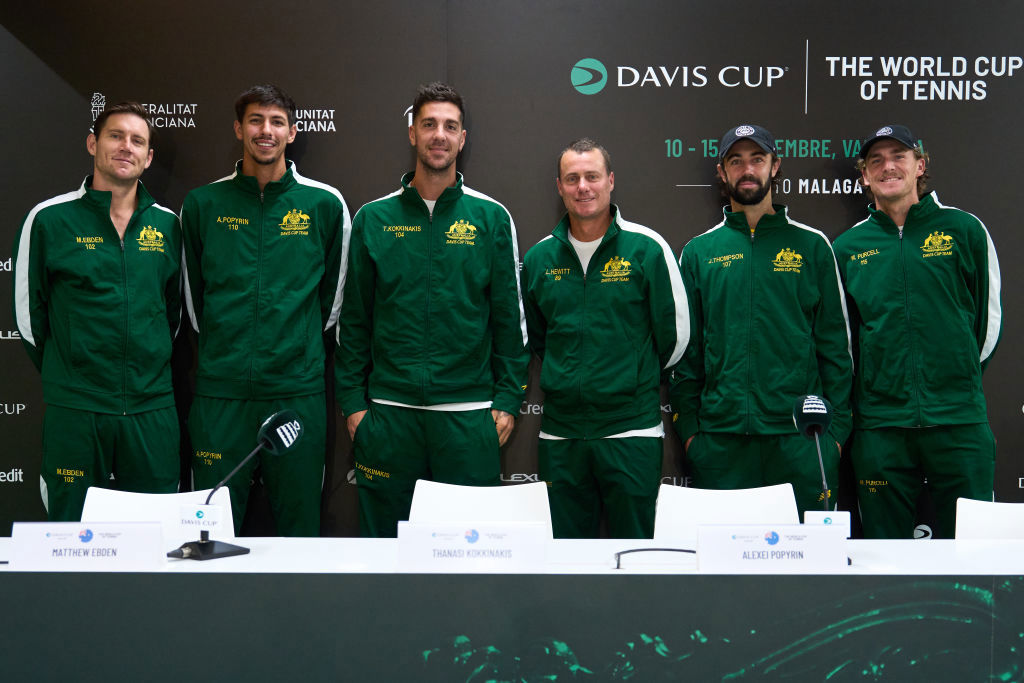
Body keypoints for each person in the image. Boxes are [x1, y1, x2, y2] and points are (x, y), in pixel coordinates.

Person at [335, 82, 528, 537]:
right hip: (388, 419)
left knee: (471, 562)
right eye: (429, 125)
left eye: (450, 126)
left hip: (467, 420)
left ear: (463, 138)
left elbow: (508, 319)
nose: (439, 135)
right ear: (412, 134)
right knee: (384, 553)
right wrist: (353, 407)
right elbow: (354, 322)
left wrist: (506, 400)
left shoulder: (491, 218)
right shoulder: (373, 219)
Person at [181, 84, 350, 536]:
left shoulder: (324, 204)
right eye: (256, 120)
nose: (266, 131)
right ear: (239, 128)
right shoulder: (202, 205)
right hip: (221, 394)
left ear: (293, 132)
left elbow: (333, 302)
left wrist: (293, 352)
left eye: (277, 122)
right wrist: (226, 354)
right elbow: (195, 303)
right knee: (208, 533)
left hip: (295, 392)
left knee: (300, 527)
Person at [671, 124, 853, 515]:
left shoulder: (812, 245)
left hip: (799, 442)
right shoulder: (700, 251)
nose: (747, 169)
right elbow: (687, 354)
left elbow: (836, 349)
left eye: (757, 159)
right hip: (720, 445)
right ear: (722, 172)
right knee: (720, 573)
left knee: (806, 571)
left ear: (775, 166)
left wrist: (833, 436)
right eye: (735, 161)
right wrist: (692, 436)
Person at [12, 102, 182, 521]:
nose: (126, 147)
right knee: (70, 535)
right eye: (115, 136)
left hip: (150, 407)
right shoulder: (50, 219)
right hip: (77, 410)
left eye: (137, 140)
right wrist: (75, 372)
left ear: (149, 158)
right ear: (93, 143)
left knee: (155, 534)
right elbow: (29, 321)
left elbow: (174, 316)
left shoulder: (168, 226)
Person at [832, 125, 1001, 539]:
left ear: (919, 166)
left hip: (958, 420)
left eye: (899, 156)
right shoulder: (848, 247)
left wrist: (953, 375)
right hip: (880, 426)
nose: (888, 166)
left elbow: (987, 322)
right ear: (865, 177)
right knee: (882, 554)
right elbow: (844, 339)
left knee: (976, 553)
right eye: (876, 160)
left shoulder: (964, 230)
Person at [521, 138, 689, 538]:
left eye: (592, 176)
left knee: (636, 556)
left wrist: (630, 371)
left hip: (629, 431)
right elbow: (539, 338)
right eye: (573, 178)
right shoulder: (539, 259)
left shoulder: (646, 248)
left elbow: (676, 337)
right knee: (563, 558)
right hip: (561, 435)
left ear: (610, 181)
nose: (583, 187)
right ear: (559, 186)